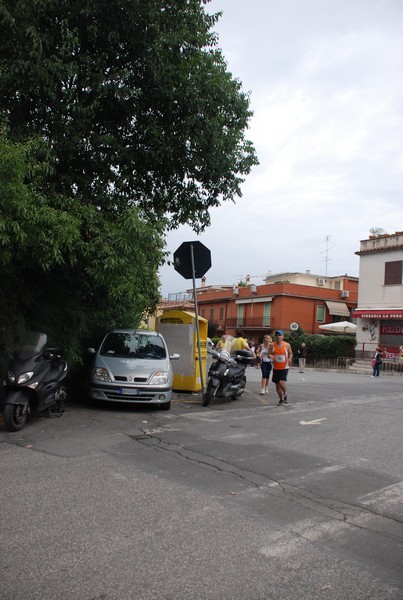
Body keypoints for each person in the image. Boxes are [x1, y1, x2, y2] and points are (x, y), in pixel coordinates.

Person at [269, 330, 293, 405]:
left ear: (283, 336)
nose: (278, 336)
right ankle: (281, 399)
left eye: (280, 335)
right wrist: (271, 356)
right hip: (276, 367)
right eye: (277, 335)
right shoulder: (272, 345)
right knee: (277, 386)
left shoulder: (287, 345)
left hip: (284, 367)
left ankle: (285, 393)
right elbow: (269, 354)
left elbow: (290, 354)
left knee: (281, 382)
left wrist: (290, 358)